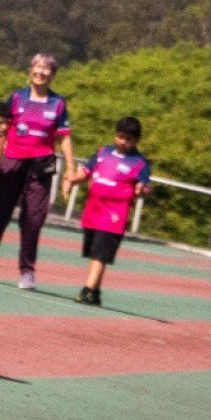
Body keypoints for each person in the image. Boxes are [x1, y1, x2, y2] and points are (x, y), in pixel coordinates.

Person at [0, 54, 75, 290]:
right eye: (37, 67)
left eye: (46, 69)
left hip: (41, 167)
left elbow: (64, 139)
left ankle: (27, 272)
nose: (40, 72)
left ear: (53, 75)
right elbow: (2, 131)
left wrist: (71, 169)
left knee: (33, 221)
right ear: (30, 71)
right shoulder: (17, 97)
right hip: (12, 162)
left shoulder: (58, 104)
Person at [66, 116, 153, 306]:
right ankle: (95, 292)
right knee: (95, 253)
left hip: (114, 215)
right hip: (93, 211)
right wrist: (71, 179)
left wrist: (142, 190)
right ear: (115, 135)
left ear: (136, 141)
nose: (123, 142)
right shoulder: (102, 152)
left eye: (128, 139)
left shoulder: (140, 163)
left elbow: (144, 187)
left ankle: (87, 290)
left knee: (100, 254)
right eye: (120, 137)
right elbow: (87, 172)